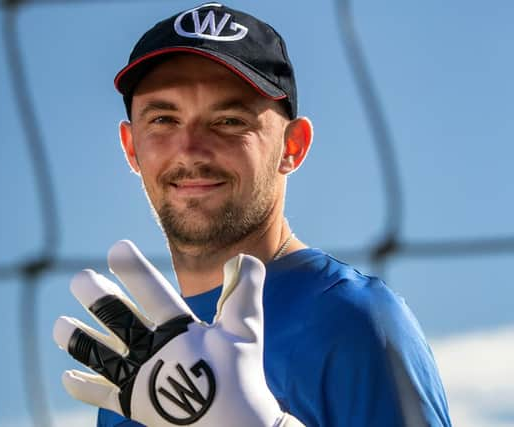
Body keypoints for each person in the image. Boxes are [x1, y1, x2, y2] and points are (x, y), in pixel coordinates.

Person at [54, 3, 452, 426]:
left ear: (292, 146)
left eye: (228, 120)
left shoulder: (355, 320)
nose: (190, 149)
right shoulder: (139, 371)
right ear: (131, 147)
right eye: (164, 119)